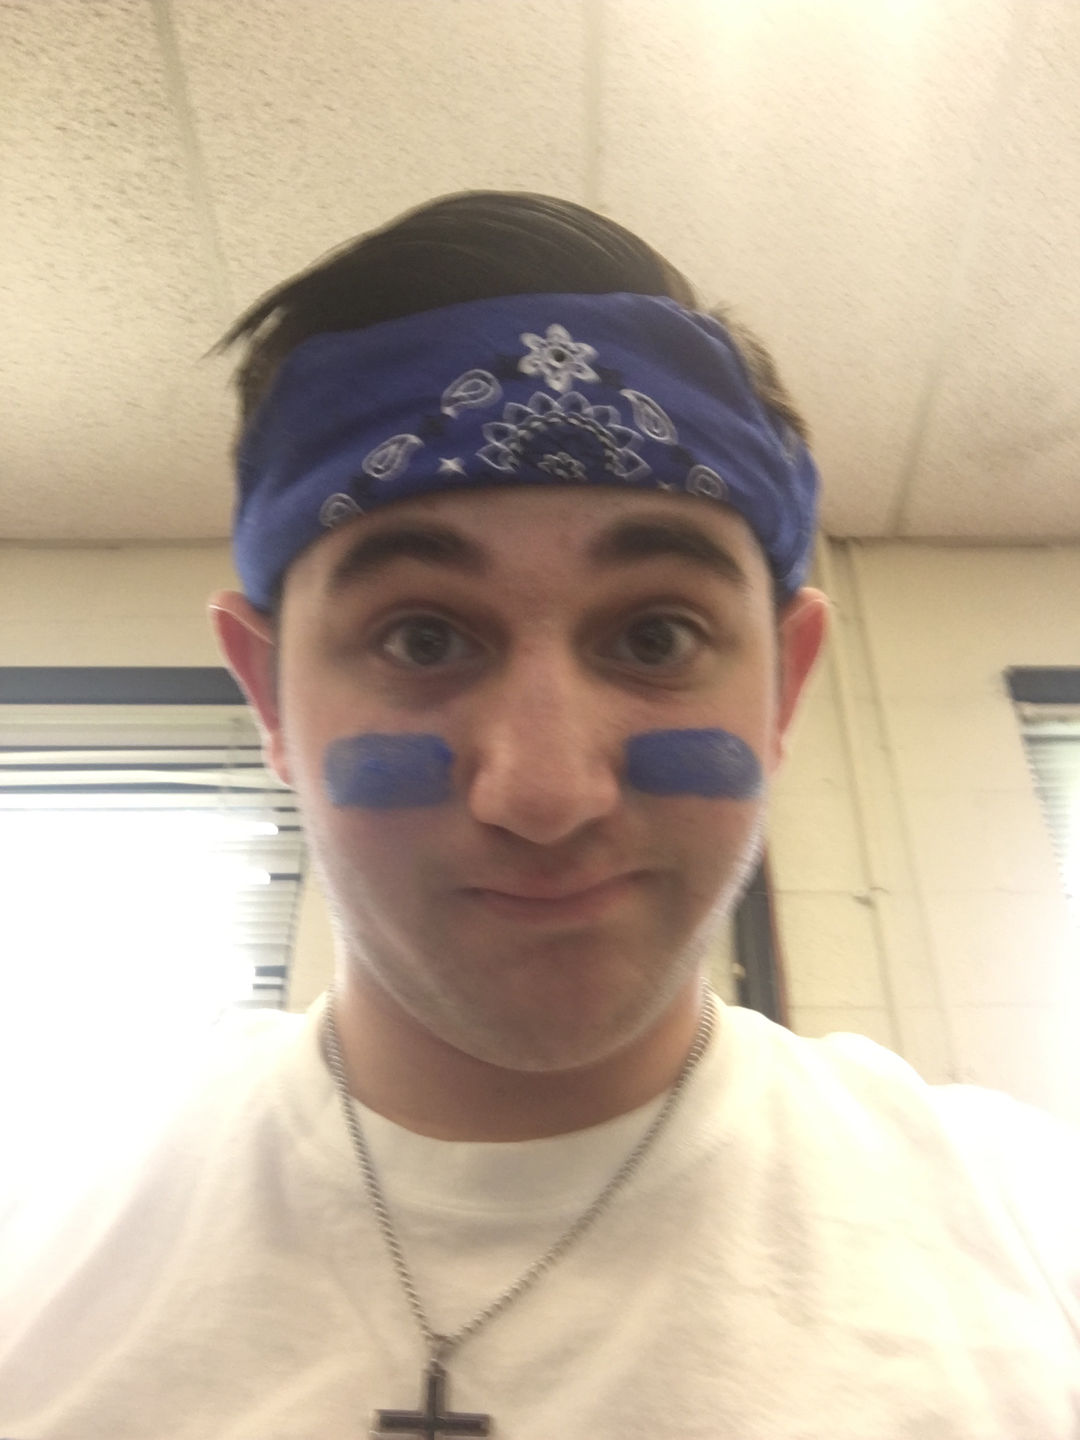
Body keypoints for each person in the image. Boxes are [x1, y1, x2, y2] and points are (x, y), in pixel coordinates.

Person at [1, 191, 1077, 1439]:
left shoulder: (1036, 1249)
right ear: (269, 697)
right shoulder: (39, 1251)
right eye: (422, 637)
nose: (547, 793)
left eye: (655, 636)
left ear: (785, 685)